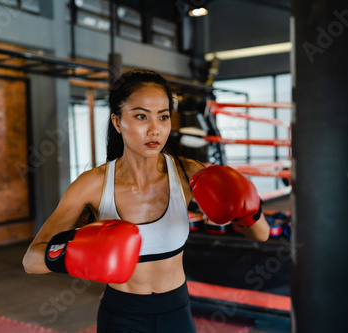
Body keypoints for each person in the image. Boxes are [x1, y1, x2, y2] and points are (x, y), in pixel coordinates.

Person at [22, 69, 270, 333]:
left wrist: (248, 207)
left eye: (163, 117)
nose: (155, 129)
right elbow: (31, 261)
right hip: (122, 316)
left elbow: (261, 235)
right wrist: (75, 253)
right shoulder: (92, 185)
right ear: (117, 122)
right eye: (141, 116)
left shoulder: (188, 174)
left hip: (176, 311)